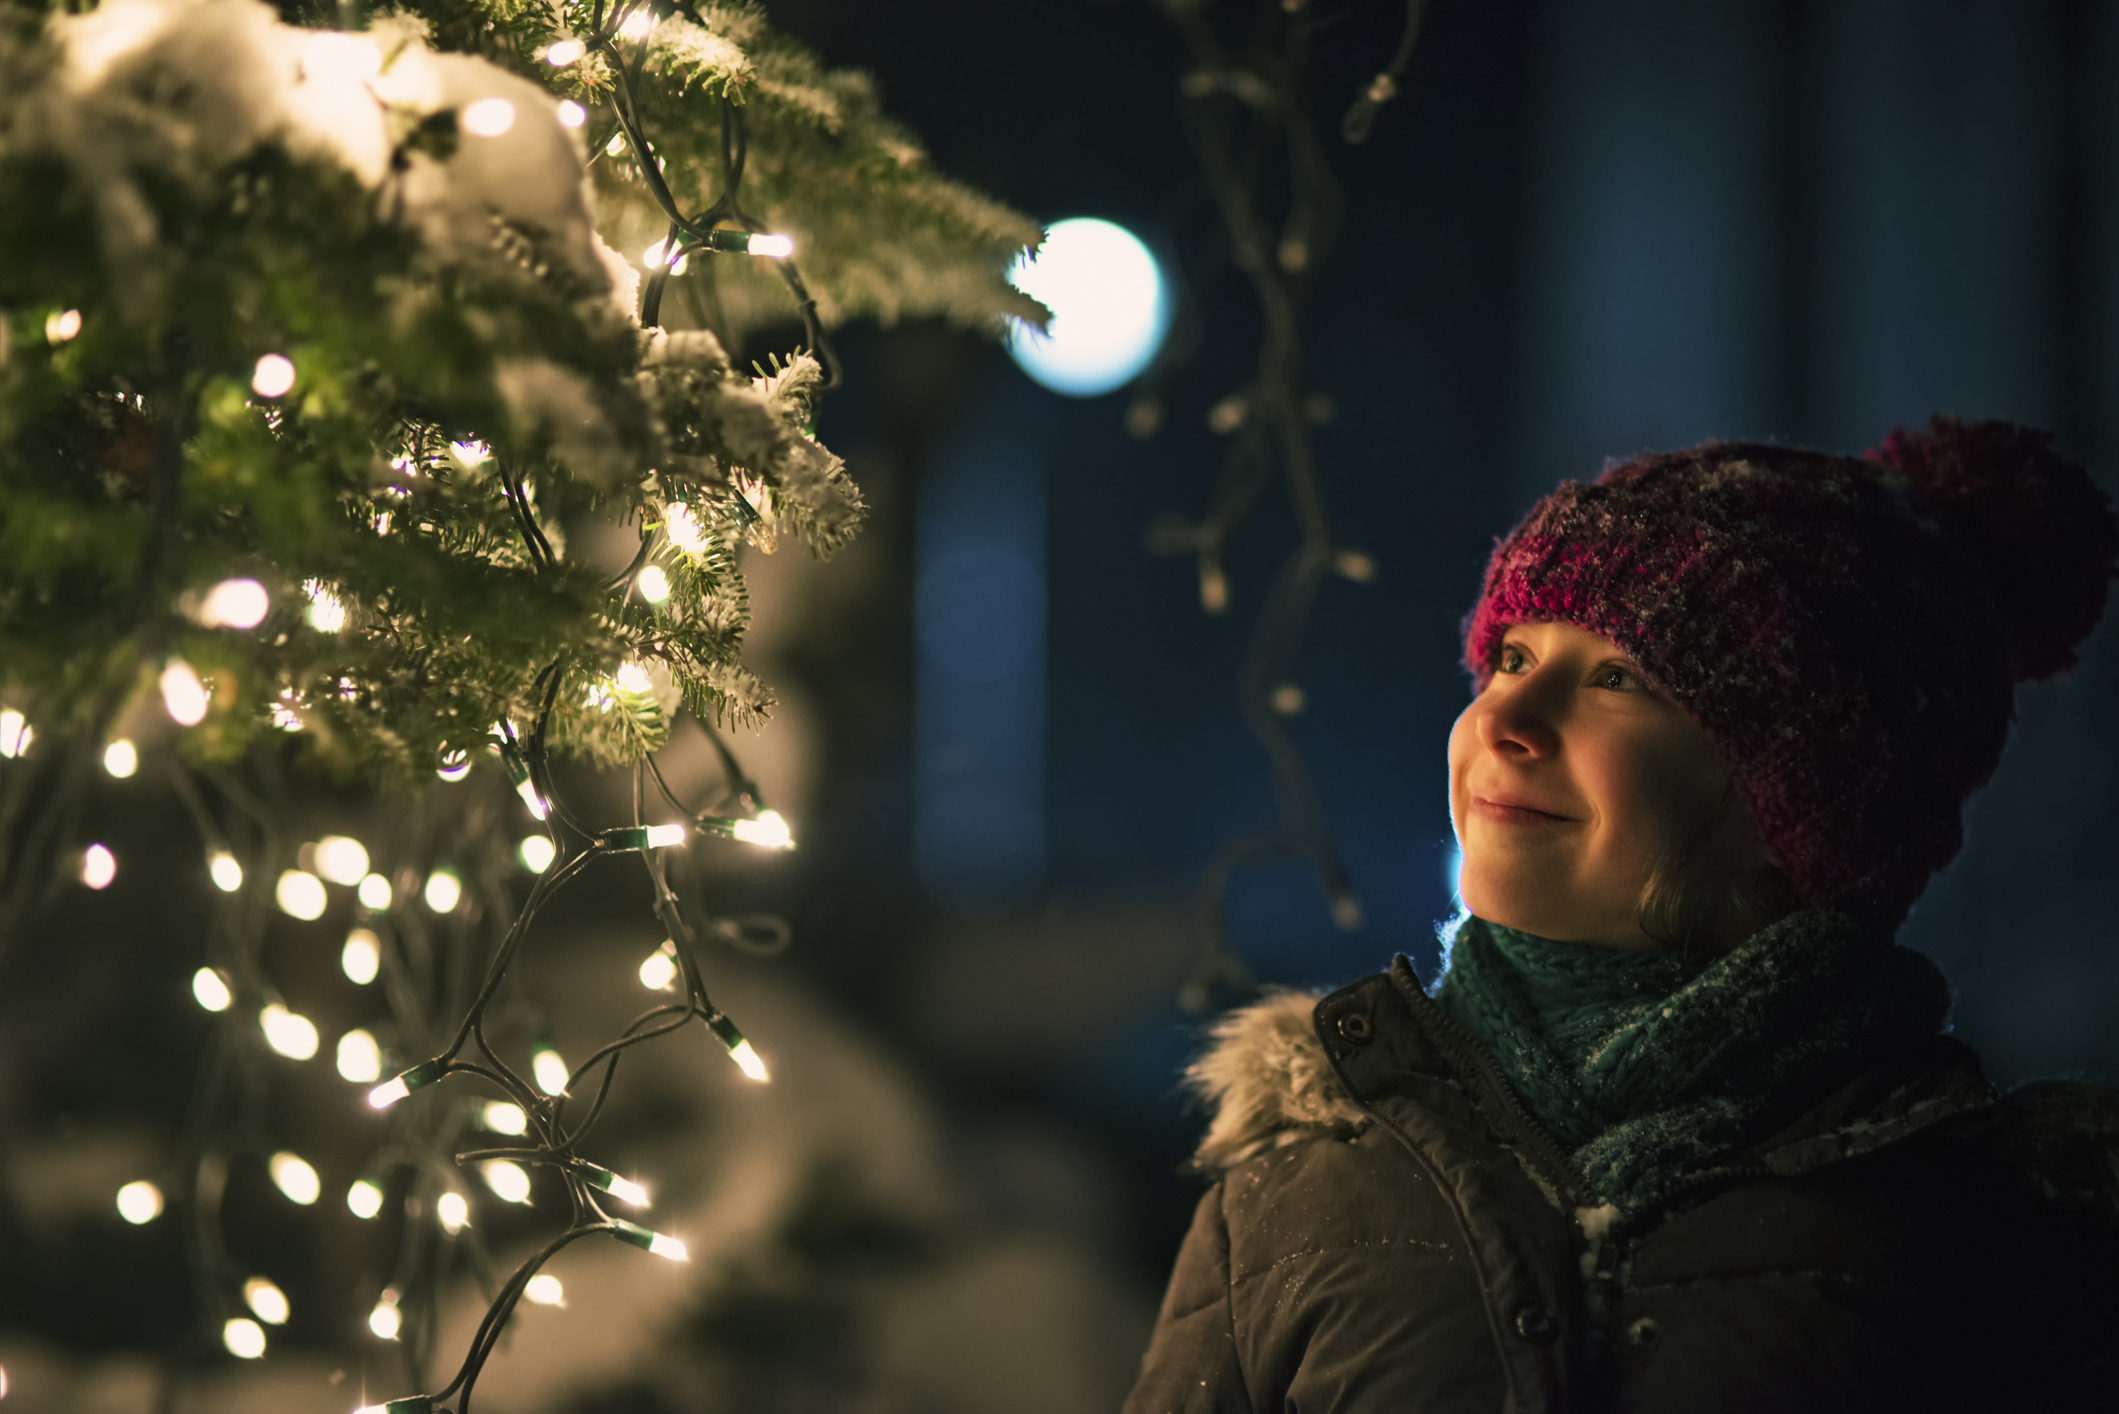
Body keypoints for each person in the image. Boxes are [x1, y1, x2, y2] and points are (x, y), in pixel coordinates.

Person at [1123, 418, 2119, 1414]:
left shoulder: (1998, 1238)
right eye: (1511, 656)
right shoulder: (1291, 1205)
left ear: (1808, 802)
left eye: (1617, 678)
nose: (1505, 720)